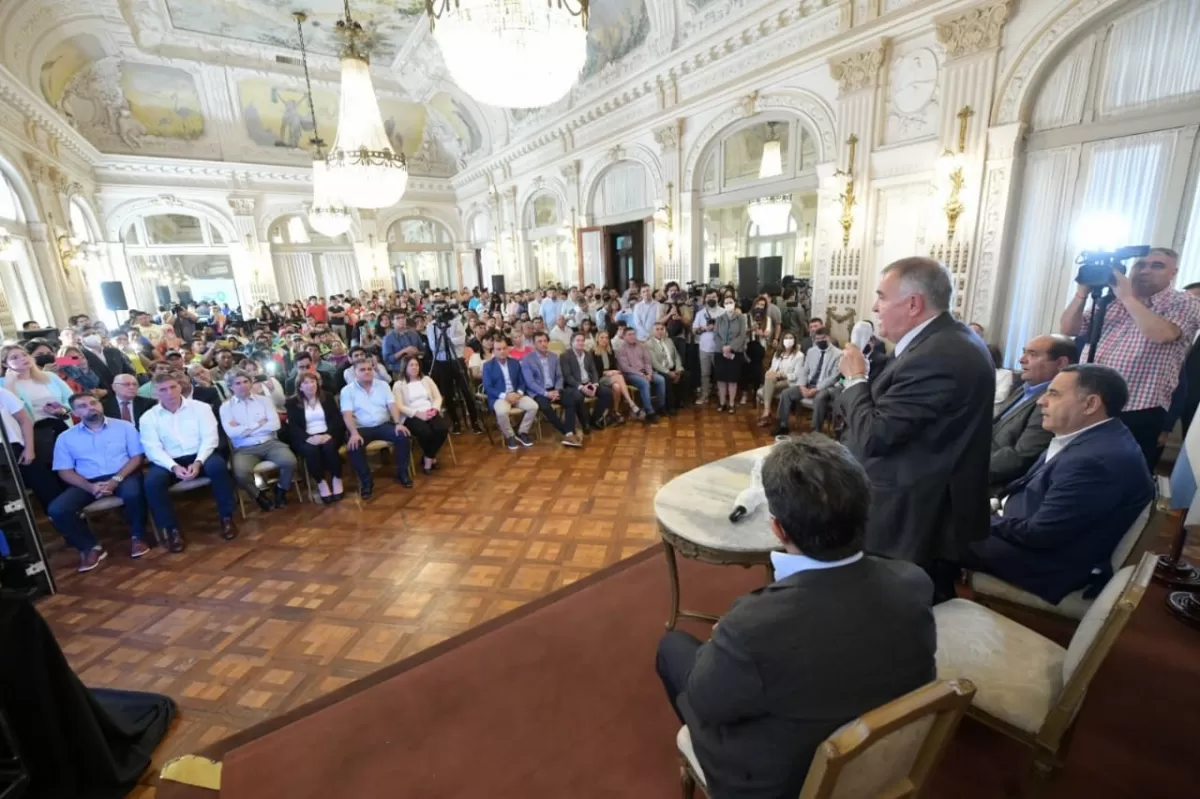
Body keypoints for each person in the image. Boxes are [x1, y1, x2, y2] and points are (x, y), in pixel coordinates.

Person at [655, 435, 936, 799]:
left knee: (672, 647)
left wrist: (720, 645)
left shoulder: (751, 627)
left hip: (778, 783)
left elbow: (707, 702)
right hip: (882, 756)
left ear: (778, 529)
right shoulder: (914, 582)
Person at [836, 257, 995, 601]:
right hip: (920, 503)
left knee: (905, 607)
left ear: (913, 304)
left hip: (914, 513)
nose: (874, 307)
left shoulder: (939, 354)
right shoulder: (944, 340)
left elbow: (875, 436)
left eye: (881, 296)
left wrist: (855, 379)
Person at [964, 365, 1155, 604]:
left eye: (1054, 394)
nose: (1040, 401)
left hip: (1046, 563)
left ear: (1090, 404)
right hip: (1024, 526)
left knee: (933, 529)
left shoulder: (1094, 461)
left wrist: (979, 518)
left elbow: (1040, 535)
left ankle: (932, 611)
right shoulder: (1092, 435)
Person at [1060, 247, 1200, 468]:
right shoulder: (1110, 302)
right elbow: (1069, 327)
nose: (1145, 270)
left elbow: (1161, 334)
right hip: (1089, 401)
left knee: (1120, 477)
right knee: (1076, 467)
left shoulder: (1184, 302)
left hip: (1138, 409)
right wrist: (1082, 292)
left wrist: (1127, 297)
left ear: (1173, 272)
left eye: (1157, 266)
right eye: (1140, 265)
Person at [49, 393, 149, 571]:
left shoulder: (124, 427)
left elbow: (136, 457)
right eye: (83, 406)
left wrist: (115, 479)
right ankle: (90, 547)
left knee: (133, 493)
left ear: (101, 405)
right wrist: (89, 486)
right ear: (75, 412)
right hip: (87, 481)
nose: (90, 407)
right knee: (58, 509)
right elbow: (64, 470)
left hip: (123, 474)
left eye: (93, 402)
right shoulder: (66, 437)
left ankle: (138, 537)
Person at [140, 373, 238, 551]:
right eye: (163, 389)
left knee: (218, 467)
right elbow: (153, 449)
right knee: (152, 482)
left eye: (173, 387)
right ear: (155, 393)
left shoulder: (201, 408)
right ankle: (171, 529)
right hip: (169, 461)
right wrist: (174, 466)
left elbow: (210, 438)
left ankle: (227, 517)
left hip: (201, 454)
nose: (169, 392)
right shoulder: (148, 417)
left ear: (180, 387)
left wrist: (199, 461)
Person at [990, 335, 1078, 493]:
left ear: (1061, 363)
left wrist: (965, 466)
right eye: (1024, 352)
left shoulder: (1051, 402)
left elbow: (1020, 458)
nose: (1022, 359)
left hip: (995, 483)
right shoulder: (1024, 388)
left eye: (1033, 354)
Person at [220, 370, 297, 512]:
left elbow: (275, 425)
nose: (243, 385)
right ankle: (258, 495)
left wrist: (244, 429)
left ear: (251, 383)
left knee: (290, 462)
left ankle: (281, 489)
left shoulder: (264, 401)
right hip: (244, 449)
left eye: (245, 381)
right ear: (231, 387)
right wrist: (259, 424)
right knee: (241, 473)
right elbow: (232, 433)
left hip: (270, 443)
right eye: (238, 383)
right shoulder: (226, 407)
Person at [341, 360, 413, 499]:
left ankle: (402, 473)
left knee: (403, 436)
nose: (367, 371)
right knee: (355, 447)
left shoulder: (383, 385)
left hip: (383, 424)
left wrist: (398, 423)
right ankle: (366, 482)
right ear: (355, 373)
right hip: (361, 428)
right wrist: (354, 433)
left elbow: (392, 405)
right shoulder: (347, 390)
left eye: (369, 369)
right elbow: (347, 414)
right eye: (362, 369)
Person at [286, 372, 345, 504]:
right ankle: (321, 482)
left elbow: (336, 419)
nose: (311, 385)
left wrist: (328, 434)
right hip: (306, 437)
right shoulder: (292, 403)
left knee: (329, 447)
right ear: (300, 387)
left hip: (327, 433)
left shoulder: (327, 397)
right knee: (311, 451)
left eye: (313, 382)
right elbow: (294, 426)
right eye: (306, 383)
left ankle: (337, 478)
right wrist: (308, 438)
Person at [0, 385, 61, 513]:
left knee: (46, 488)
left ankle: (63, 523)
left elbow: (24, 420)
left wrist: (29, 449)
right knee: (9, 499)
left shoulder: (2, 393)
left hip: (15, 447)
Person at [775, 327, 842, 436]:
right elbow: (804, 370)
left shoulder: (838, 354)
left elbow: (834, 377)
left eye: (823, 338)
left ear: (828, 337)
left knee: (820, 398)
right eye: (818, 339)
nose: (820, 341)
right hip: (808, 384)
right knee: (786, 393)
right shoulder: (811, 351)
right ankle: (783, 425)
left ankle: (816, 431)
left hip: (824, 387)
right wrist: (802, 386)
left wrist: (816, 389)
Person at [520, 333, 584, 448]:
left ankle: (568, 433)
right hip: (538, 391)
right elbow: (530, 383)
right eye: (540, 341)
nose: (543, 344)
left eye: (545, 341)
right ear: (534, 344)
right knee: (545, 406)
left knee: (570, 401)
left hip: (554, 389)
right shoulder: (527, 359)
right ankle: (568, 433)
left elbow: (559, 376)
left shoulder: (554, 357)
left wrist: (557, 390)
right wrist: (546, 393)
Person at [393, 355, 451, 474]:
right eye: (411, 365)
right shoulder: (398, 385)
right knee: (425, 432)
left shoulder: (426, 380)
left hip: (430, 411)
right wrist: (417, 414)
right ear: (405, 367)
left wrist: (434, 409)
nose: (414, 368)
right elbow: (399, 406)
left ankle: (428, 457)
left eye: (416, 365)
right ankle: (430, 460)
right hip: (411, 415)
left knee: (442, 428)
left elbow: (437, 397)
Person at [482, 337, 540, 450]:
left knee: (533, 406)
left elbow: (522, 382)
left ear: (508, 349)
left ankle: (522, 432)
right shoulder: (488, 366)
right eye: (498, 349)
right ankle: (510, 436)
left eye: (504, 348)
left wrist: (518, 393)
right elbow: (488, 387)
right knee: (502, 412)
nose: (502, 351)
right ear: (493, 351)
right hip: (499, 397)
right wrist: (505, 396)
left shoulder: (515, 363)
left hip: (516, 394)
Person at [561, 332, 612, 433]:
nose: (580, 343)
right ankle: (586, 423)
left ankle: (594, 419)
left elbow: (593, 371)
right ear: (572, 342)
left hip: (589, 383)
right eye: (578, 340)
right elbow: (567, 376)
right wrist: (580, 387)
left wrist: (595, 384)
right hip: (574, 385)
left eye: (582, 340)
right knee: (578, 396)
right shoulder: (565, 356)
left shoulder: (587, 354)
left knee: (607, 392)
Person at [616, 327, 665, 423]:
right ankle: (650, 412)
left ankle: (661, 407)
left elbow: (647, 362)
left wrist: (649, 373)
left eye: (633, 334)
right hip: (630, 374)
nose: (632, 336)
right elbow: (625, 368)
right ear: (624, 336)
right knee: (644, 383)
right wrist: (642, 375)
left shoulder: (642, 346)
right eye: (629, 335)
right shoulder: (621, 349)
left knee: (661, 379)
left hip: (645, 372)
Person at [758, 332, 803, 428]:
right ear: (782, 340)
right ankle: (767, 411)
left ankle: (766, 411)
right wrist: (769, 373)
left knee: (768, 383)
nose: (788, 340)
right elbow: (772, 368)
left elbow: (796, 375)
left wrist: (780, 375)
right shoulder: (778, 353)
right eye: (786, 338)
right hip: (775, 380)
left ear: (794, 341)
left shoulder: (799, 355)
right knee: (769, 378)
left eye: (791, 338)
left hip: (789, 382)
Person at [712, 295, 747, 413]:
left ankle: (731, 403)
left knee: (732, 379)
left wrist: (730, 347)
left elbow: (742, 335)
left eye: (730, 302)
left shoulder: (741, 318)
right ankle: (722, 403)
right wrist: (723, 347)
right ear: (723, 305)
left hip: (735, 352)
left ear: (735, 303)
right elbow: (715, 335)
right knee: (721, 379)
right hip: (720, 352)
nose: (728, 304)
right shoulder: (719, 318)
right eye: (726, 303)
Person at [591, 330, 633, 424]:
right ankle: (630, 402)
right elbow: (594, 371)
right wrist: (607, 372)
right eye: (602, 337)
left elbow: (614, 367)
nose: (604, 340)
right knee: (618, 377)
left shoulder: (610, 351)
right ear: (597, 339)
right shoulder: (593, 352)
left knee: (617, 387)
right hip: (600, 378)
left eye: (606, 338)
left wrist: (613, 372)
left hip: (611, 377)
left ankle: (615, 411)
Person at [648, 322, 688, 415]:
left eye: (662, 329)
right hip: (660, 370)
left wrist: (679, 368)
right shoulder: (649, 344)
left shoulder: (669, 340)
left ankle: (680, 402)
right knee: (666, 379)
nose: (660, 331)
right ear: (653, 331)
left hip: (673, 367)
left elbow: (676, 356)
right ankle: (670, 407)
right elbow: (654, 363)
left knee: (686, 375)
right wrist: (668, 372)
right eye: (657, 329)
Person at [382, 311, 424, 377]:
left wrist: (417, 352)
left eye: (403, 317)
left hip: (416, 370)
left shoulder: (414, 334)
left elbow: (423, 351)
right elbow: (387, 359)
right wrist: (404, 351)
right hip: (399, 372)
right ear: (392, 321)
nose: (401, 320)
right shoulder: (388, 338)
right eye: (398, 318)